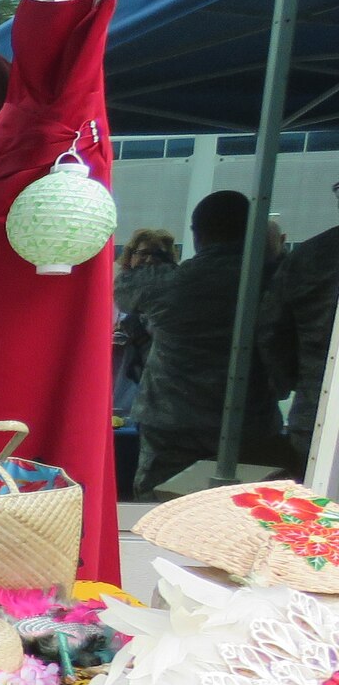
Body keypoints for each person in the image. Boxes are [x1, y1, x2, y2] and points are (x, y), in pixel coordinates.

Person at [127, 190, 285, 496]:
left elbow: (126, 292)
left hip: (170, 425)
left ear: (197, 234)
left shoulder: (170, 283)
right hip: (247, 424)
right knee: (239, 515)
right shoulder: (272, 282)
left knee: (158, 509)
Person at [261, 184, 339, 475]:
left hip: (317, 411)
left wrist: (289, 381)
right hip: (315, 407)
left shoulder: (310, 256)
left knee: (316, 511)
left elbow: (271, 330)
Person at [113, 227, 176, 417]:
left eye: (158, 254)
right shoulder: (116, 292)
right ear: (130, 256)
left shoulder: (173, 295)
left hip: (155, 378)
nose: (149, 259)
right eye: (143, 253)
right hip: (119, 374)